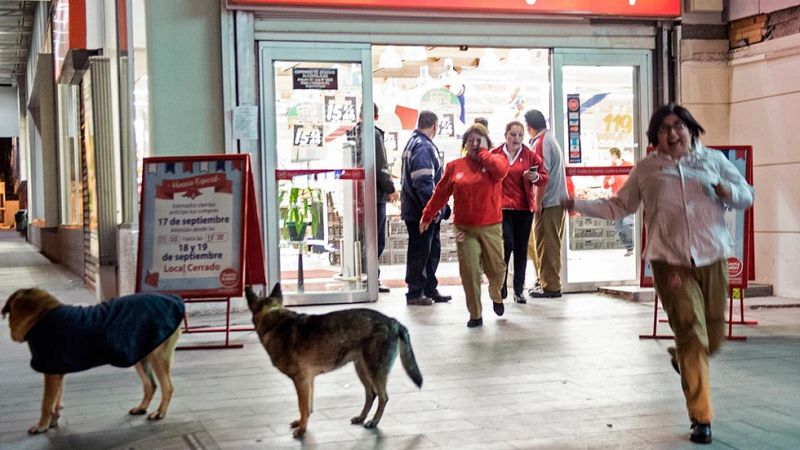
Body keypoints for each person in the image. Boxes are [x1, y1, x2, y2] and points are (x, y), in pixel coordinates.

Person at [563, 103, 754, 444]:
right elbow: (619, 206)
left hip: (712, 257)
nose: (672, 133)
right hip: (670, 262)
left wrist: (728, 192)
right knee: (692, 334)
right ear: (655, 138)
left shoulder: (712, 161)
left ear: (690, 129)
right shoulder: (647, 170)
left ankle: (682, 358)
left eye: (678, 125)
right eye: (664, 128)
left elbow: (746, 196)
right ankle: (701, 417)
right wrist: (577, 204)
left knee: (711, 337)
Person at [420, 124, 509, 327]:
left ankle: (496, 293)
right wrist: (427, 215)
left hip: (491, 226)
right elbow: (440, 193)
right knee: (469, 271)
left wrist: (484, 154)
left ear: (488, 142)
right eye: (471, 141)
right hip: (464, 228)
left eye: (480, 140)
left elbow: (500, 171)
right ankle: (475, 314)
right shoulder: (455, 166)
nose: (475, 144)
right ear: (465, 145)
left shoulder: (497, 161)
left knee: (496, 268)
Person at [490, 121, 548, 304]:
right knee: (506, 245)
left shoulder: (529, 155)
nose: (516, 138)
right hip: (502, 208)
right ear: (505, 135)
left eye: (520, 135)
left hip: (523, 208)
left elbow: (544, 176)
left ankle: (518, 290)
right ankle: (500, 284)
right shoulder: (495, 155)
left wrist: (535, 177)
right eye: (512, 134)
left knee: (521, 249)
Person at [400, 111, 452, 306]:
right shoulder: (423, 147)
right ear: (435, 126)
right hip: (421, 212)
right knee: (421, 251)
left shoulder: (412, 142)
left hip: (415, 209)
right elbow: (423, 182)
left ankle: (429, 288)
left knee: (428, 251)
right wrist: (432, 211)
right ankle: (415, 292)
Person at [348, 104, 398, 293]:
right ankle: (371, 279)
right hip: (374, 195)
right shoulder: (374, 134)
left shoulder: (352, 134)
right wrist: (391, 188)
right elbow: (380, 165)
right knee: (376, 239)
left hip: (357, 194)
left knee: (363, 237)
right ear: (376, 117)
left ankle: (366, 277)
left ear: (360, 114)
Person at [524, 109, 568, 298]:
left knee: (547, 245)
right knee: (545, 244)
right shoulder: (549, 139)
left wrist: (537, 202)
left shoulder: (541, 143)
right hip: (556, 201)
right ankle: (546, 281)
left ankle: (550, 286)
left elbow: (543, 176)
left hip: (549, 202)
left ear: (528, 127)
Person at [603, 147, 635, 257]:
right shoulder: (610, 168)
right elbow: (605, 184)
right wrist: (609, 182)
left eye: (610, 155)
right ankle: (629, 247)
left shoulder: (628, 165)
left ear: (615, 155)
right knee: (618, 227)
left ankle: (633, 245)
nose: (610, 158)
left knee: (627, 223)